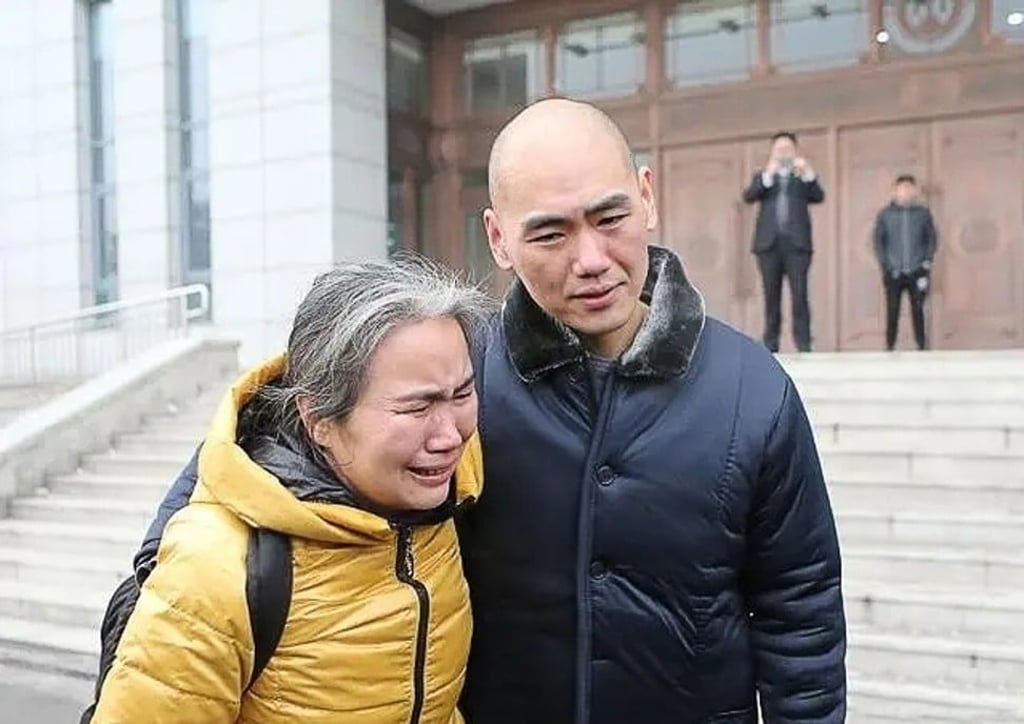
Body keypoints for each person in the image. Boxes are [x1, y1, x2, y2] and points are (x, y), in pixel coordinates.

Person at [143, 99, 846, 724]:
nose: (592, 258)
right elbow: (259, 455)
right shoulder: (450, 366)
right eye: (550, 234)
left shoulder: (754, 389)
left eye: (611, 218)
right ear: (499, 239)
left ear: (647, 196)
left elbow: (801, 612)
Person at [89, 258, 489, 723]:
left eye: (461, 394)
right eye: (416, 407)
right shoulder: (217, 565)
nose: (450, 436)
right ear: (318, 419)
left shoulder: (449, 498)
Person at [743, 131, 826, 353]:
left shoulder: (801, 179)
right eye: (779, 149)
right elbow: (749, 196)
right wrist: (768, 173)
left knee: (800, 296)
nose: (783, 153)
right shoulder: (764, 177)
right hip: (768, 246)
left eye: (787, 149)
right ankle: (771, 345)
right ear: (772, 152)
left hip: (797, 246)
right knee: (771, 297)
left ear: (795, 151)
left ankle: (804, 344)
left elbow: (819, 196)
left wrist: (808, 173)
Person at [873, 174, 939, 351]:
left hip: (918, 270)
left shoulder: (923, 214)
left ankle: (922, 345)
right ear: (895, 191)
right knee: (892, 309)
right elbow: (879, 241)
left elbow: (931, 239)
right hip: (893, 271)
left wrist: (926, 260)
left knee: (918, 308)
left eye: (909, 188)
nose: (905, 192)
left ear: (915, 191)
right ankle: (890, 346)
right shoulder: (886, 215)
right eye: (902, 188)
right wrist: (885, 264)